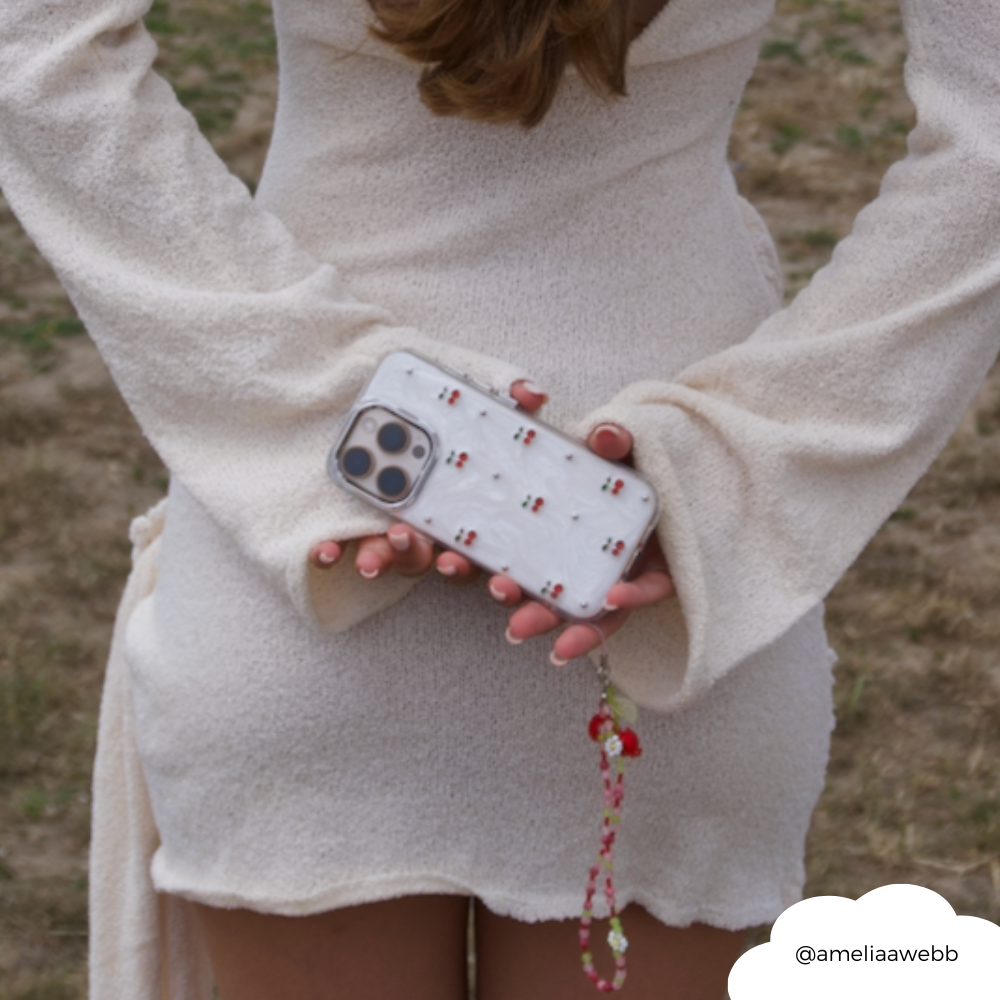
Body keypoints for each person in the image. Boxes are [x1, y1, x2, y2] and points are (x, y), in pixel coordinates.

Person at [1, 0, 998, 997]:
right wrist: (728, 475)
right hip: (664, 592)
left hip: (308, 559)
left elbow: (32, 48)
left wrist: (327, 405)